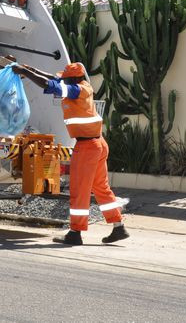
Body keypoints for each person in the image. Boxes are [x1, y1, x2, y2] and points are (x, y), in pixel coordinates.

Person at [9, 60, 129, 245]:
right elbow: (53, 78)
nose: (63, 81)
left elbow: (50, 85)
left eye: (67, 79)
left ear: (75, 79)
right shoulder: (80, 84)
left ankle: (75, 233)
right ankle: (118, 227)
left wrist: (25, 71)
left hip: (87, 147)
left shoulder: (78, 90)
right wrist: (27, 68)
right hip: (98, 144)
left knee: (79, 190)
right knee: (101, 188)